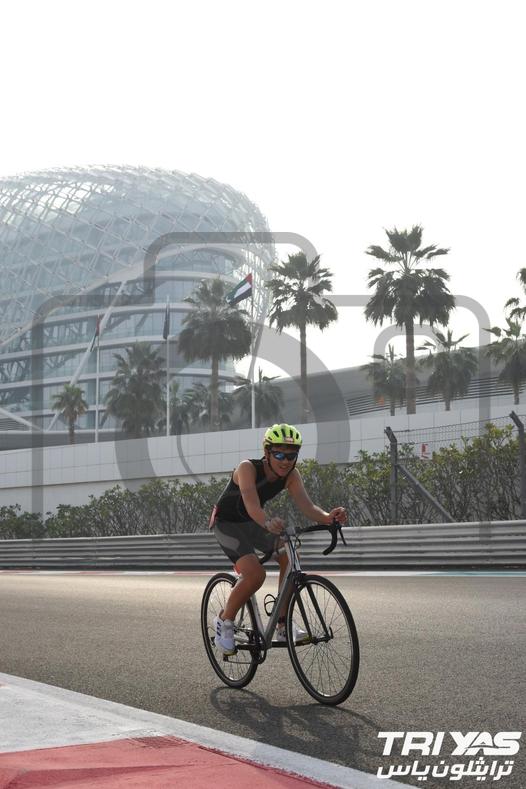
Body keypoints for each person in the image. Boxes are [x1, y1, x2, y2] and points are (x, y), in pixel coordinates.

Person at [210, 422, 347, 654]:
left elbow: (307, 506)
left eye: (291, 455)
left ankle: (282, 625)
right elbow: (252, 505)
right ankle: (224, 621)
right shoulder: (247, 468)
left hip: (253, 523)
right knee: (255, 574)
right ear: (267, 452)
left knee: (289, 556)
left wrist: (328, 517)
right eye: (279, 454)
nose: (285, 461)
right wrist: (267, 522)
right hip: (227, 524)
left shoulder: (292, 475)